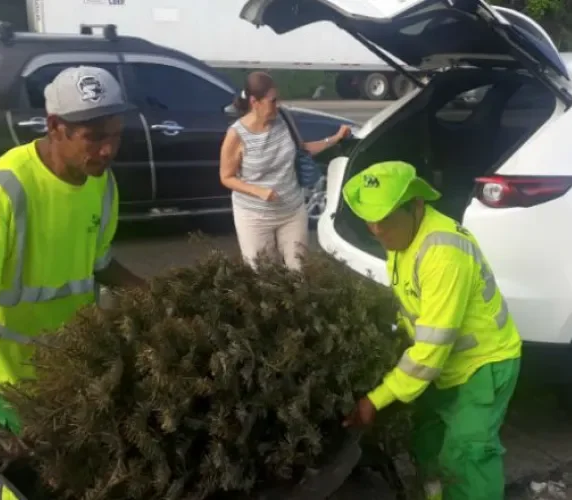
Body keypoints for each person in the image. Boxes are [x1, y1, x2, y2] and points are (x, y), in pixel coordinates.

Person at [0, 66, 147, 500]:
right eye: (93, 136)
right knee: (38, 487)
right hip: (7, 377)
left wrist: (157, 296)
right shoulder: (7, 188)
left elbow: (99, 261)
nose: (108, 149)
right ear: (56, 127)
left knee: (69, 480)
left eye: (116, 134)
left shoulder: (101, 184)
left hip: (67, 366)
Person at [340, 161, 522, 500]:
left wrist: (374, 400)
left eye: (387, 220)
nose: (377, 230)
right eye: (370, 221)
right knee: (427, 438)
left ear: (417, 205)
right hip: (445, 366)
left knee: (467, 455)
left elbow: (432, 349)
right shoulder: (403, 236)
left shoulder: (443, 254)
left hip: (482, 365)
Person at [219, 71, 352, 270]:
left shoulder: (283, 119)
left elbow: (302, 149)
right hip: (254, 218)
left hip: (292, 211)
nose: (277, 104)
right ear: (255, 102)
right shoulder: (237, 134)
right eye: (272, 100)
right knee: (264, 276)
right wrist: (259, 191)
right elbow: (226, 177)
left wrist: (334, 139)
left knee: (299, 270)